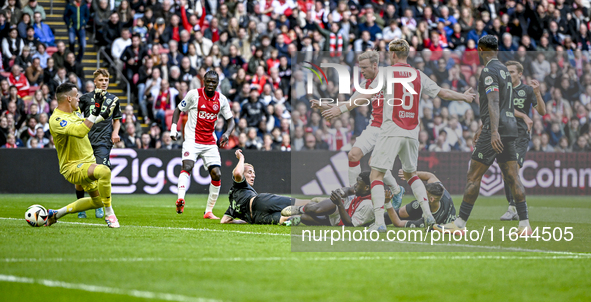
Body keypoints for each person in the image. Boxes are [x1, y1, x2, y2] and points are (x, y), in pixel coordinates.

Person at [321, 39, 475, 232]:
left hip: (391, 129)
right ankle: (428, 215)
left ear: (392, 54)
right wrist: (464, 96)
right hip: (412, 132)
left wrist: (341, 109)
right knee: (411, 175)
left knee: (376, 174)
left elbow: (366, 95)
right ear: (407, 54)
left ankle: (378, 223)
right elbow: (442, 93)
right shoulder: (418, 74)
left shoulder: (386, 73)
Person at [434, 35, 531, 236]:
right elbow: (504, 103)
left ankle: (459, 224)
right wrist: (484, 124)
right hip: (511, 127)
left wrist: (492, 130)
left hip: (495, 130)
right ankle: (525, 225)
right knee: (513, 176)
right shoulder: (505, 70)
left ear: (480, 50)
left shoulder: (489, 71)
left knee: (473, 176)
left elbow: (494, 101)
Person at [45, 82, 119, 228]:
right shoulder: (57, 120)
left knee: (98, 201)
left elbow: (87, 122)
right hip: (72, 166)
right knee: (104, 171)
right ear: (68, 99)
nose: (79, 99)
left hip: (87, 161)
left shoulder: (75, 112)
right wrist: (95, 111)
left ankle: (56, 214)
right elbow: (79, 131)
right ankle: (110, 214)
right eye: (76, 96)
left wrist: (102, 113)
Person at [170, 70, 235, 219]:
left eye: (214, 82)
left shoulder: (222, 100)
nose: (211, 84)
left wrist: (226, 133)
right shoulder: (194, 95)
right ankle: (180, 199)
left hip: (210, 141)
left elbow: (231, 120)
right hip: (192, 139)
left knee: (217, 174)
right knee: (187, 166)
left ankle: (208, 211)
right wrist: (174, 128)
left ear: (217, 83)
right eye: (208, 81)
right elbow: (178, 109)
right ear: (203, 81)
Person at [498, 61, 546, 221]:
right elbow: (501, 109)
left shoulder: (526, 90)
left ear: (520, 74)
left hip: (520, 135)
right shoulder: (502, 89)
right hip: (504, 133)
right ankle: (513, 207)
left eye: (512, 72)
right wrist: (524, 115)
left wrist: (538, 93)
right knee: (506, 173)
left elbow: (542, 111)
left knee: (513, 169)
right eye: (507, 72)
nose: (508, 75)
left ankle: (513, 207)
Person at [75, 69, 122, 219]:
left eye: (106, 80)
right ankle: (81, 206)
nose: (104, 83)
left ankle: (99, 205)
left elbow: (117, 120)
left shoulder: (113, 99)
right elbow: (76, 117)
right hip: (85, 141)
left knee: (101, 172)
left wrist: (115, 133)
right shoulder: (85, 98)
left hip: (103, 141)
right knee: (81, 177)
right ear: (95, 81)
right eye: (101, 80)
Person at [221, 149, 297, 225]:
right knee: (297, 203)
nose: (253, 175)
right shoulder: (240, 185)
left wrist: (244, 221)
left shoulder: (233, 203)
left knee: (285, 218)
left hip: (256, 218)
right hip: (260, 202)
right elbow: (237, 173)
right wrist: (241, 158)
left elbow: (224, 221)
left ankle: (299, 218)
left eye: (253, 173)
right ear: (242, 174)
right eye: (249, 172)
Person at [288, 171, 380, 227]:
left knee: (305, 218)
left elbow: (350, 224)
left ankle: (300, 215)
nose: (355, 185)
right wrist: (341, 192)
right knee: (313, 209)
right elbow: (348, 190)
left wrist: (339, 204)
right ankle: (299, 209)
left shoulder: (368, 205)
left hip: (338, 216)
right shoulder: (361, 191)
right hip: (339, 207)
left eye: (358, 183)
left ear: (367, 188)